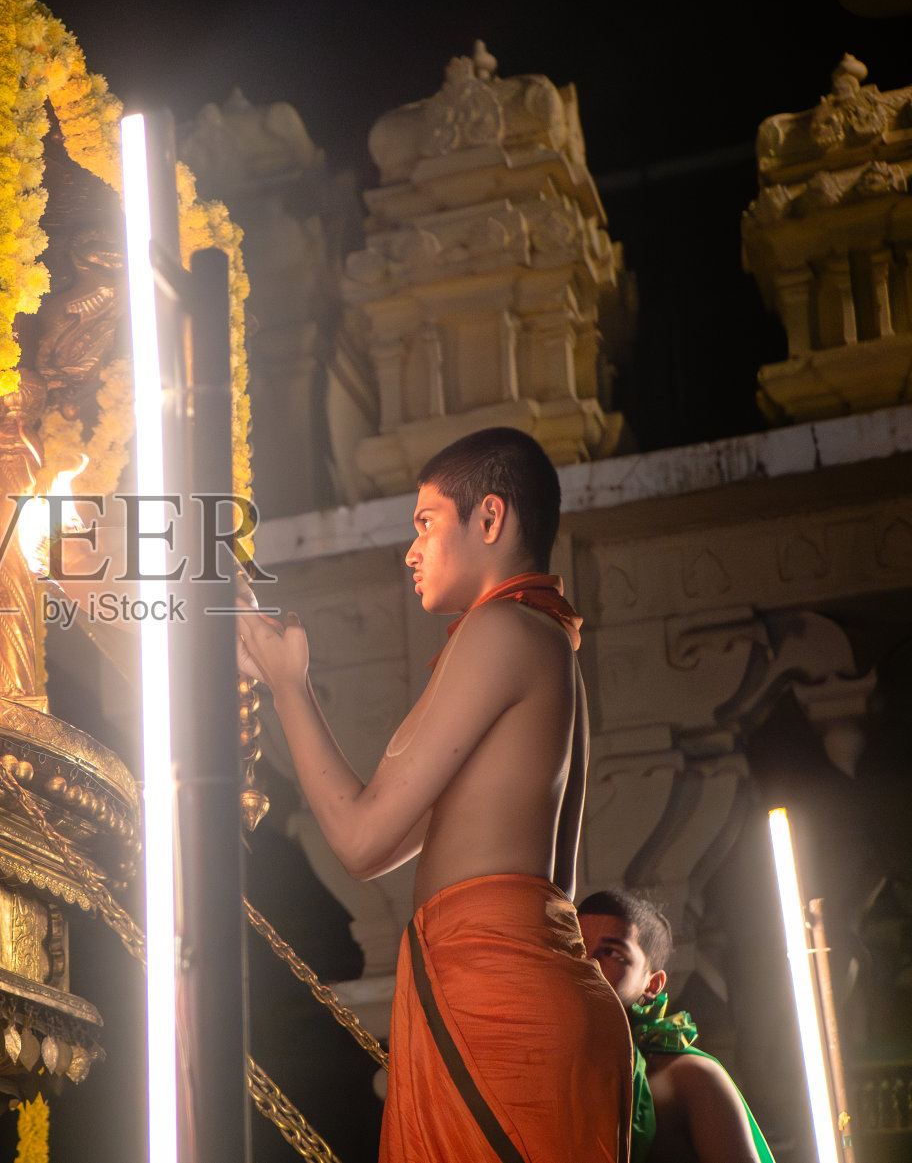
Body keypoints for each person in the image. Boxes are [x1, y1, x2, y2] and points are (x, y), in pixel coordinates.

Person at [238, 426, 632, 1163]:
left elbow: (358, 838)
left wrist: (289, 684)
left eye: (425, 523)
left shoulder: (499, 629)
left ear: (490, 517)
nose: (411, 550)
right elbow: (381, 836)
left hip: (497, 1006)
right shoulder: (544, 643)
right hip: (528, 993)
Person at [577, 889, 774, 1163]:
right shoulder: (540, 1063)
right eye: (575, 949)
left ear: (652, 984)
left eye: (610, 952)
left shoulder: (690, 1077)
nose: (587, 964)